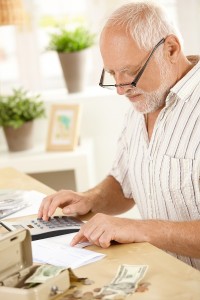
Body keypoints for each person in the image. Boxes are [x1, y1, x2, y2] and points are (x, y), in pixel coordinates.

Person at [38, 1, 200, 270]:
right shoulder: (144, 100)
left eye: (132, 72)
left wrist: (141, 229)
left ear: (171, 49)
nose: (121, 89)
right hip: (166, 277)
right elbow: (125, 184)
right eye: (113, 74)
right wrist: (90, 199)